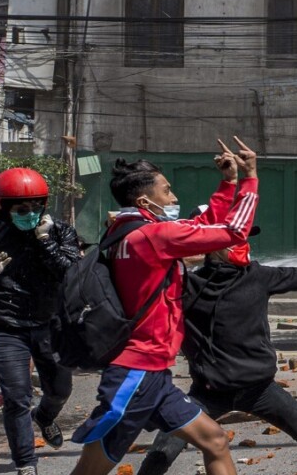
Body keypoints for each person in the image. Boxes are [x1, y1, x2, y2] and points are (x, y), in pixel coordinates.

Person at [68, 137, 260, 475]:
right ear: (145, 200)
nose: (174, 198)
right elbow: (233, 230)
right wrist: (249, 178)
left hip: (152, 373)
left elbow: (199, 228)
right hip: (136, 374)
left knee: (214, 440)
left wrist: (226, 183)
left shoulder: (125, 232)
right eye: (167, 191)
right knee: (90, 471)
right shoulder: (153, 237)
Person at [136, 217, 297, 475]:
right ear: (213, 244)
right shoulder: (186, 285)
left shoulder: (258, 276)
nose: (243, 244)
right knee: (161, 454)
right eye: (234, 238)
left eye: (244, 237)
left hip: (260, 390)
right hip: (207, 394)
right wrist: (186, 257)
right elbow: (143, 271)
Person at [0, 169, 81, 475]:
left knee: (60, 390)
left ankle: (46, 418)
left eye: (37, 206)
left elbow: (72, 273)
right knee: (16, 397)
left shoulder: (60, 231)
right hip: (7, 327)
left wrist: (45, 240)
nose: (31, 213)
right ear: (3, 206)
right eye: (22, 209)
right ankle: (26, 464)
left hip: (52, 326)